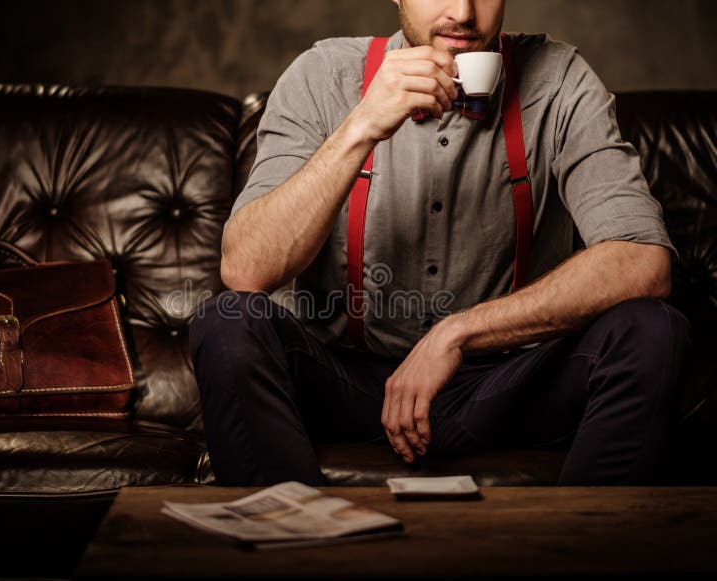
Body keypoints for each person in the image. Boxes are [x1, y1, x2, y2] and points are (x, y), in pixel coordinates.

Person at [189, 0, 690, 486]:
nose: (464, 13)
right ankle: (292, 543)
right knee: (229, 321)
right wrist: (360, 126)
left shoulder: (559, 79)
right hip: (345, 384)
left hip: (503, 388)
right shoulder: (322, 76)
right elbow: (245, 270)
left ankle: (586, 551)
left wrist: (458, 334)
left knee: (652, 328)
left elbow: (643, 261)